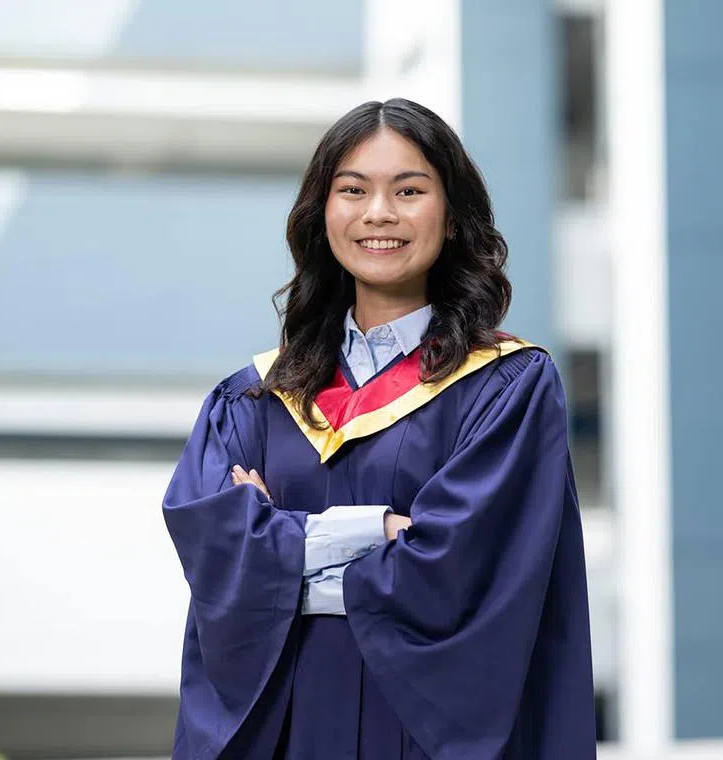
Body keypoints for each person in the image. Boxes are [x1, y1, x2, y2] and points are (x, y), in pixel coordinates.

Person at [162, 98, 596, 759]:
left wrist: (280, 547)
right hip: (289, 732)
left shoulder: (507, 389)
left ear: (451, 217)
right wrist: (380, 531)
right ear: (322, 216)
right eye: (353, 190)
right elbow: (218, 557)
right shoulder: (254, 397)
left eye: (410, 190)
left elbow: (459, 574)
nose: (379, 214)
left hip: (421, 737)